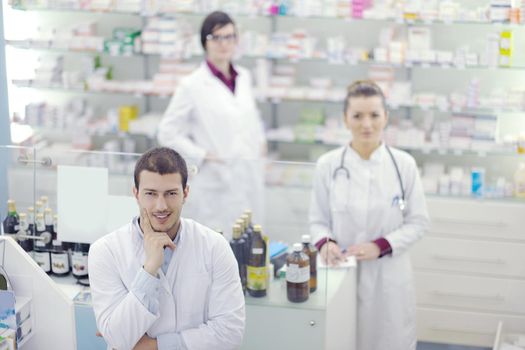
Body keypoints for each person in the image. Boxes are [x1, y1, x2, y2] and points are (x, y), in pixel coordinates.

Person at [309, 80, 429, 350]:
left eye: (374, 115)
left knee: (389, 340)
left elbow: (419, 222)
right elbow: (317, 220)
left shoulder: (404, 165)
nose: (366, 124)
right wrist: (325, 244)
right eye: (358, 116)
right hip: (341, 275)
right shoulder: (328, 165)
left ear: (386, 117)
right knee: (341, 339)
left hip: (388, 275)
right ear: (345, 119)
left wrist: (381, 246)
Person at [89, 147, 245, 350]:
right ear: (136, 194)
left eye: (171, 193)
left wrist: (152, 346)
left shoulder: (214, 246)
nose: (161, 206)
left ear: (185, 193)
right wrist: (150, 269)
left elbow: (230, 334)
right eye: (151, 194)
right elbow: (118, 338)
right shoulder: (105, 251)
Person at [157, 11, 266, 236]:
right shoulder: (192, 85)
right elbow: (167, 132)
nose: (223, 44)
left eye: (229, 37)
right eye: (215, 37)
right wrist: (202, 154)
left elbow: (249, 119)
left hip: (248, 175)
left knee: (249, 247)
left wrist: (260, 143)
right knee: (216, 248)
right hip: (215, 181)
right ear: (204, 42)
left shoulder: (244, 77)